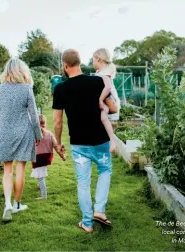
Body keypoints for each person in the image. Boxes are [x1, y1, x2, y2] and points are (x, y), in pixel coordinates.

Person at [53, 49, 117, 233]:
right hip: (101, 141)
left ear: (65, 66)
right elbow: (112, 108)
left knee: (83, 182)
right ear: (80, 63)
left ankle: (87, 223)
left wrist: (58, 142)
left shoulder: (60, 89)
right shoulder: (97, 81)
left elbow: (57, 121)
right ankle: (99, 210)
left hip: (78, 144)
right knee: (105, 170)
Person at [0, 58, 43, 222]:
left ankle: (7, 204)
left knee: (7, 170)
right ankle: (17, 204)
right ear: (22, 71)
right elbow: (34, 115)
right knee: (21, 169)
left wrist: (0, 133)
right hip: (24, 132)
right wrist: (38, 135)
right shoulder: (26, 89)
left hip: (4, 132)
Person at [31, 114, 66, 200]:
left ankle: (44, 195)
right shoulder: (49, 134)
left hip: (38, 159)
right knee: (40, 173)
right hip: (47, 158)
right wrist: (62, 156)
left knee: (40, 177)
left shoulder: (34, 135)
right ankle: (40, 185)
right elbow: (56, 146)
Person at [93, 48, 121, 153]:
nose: (93, 63)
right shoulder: (100, 72)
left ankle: (112, 140)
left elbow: (108, 87)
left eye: (93, 60)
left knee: (103, 118)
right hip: (107, 100)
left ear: (98, 58)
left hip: (110, 100)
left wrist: (100, 99)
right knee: (100, 119)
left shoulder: (104, 73)